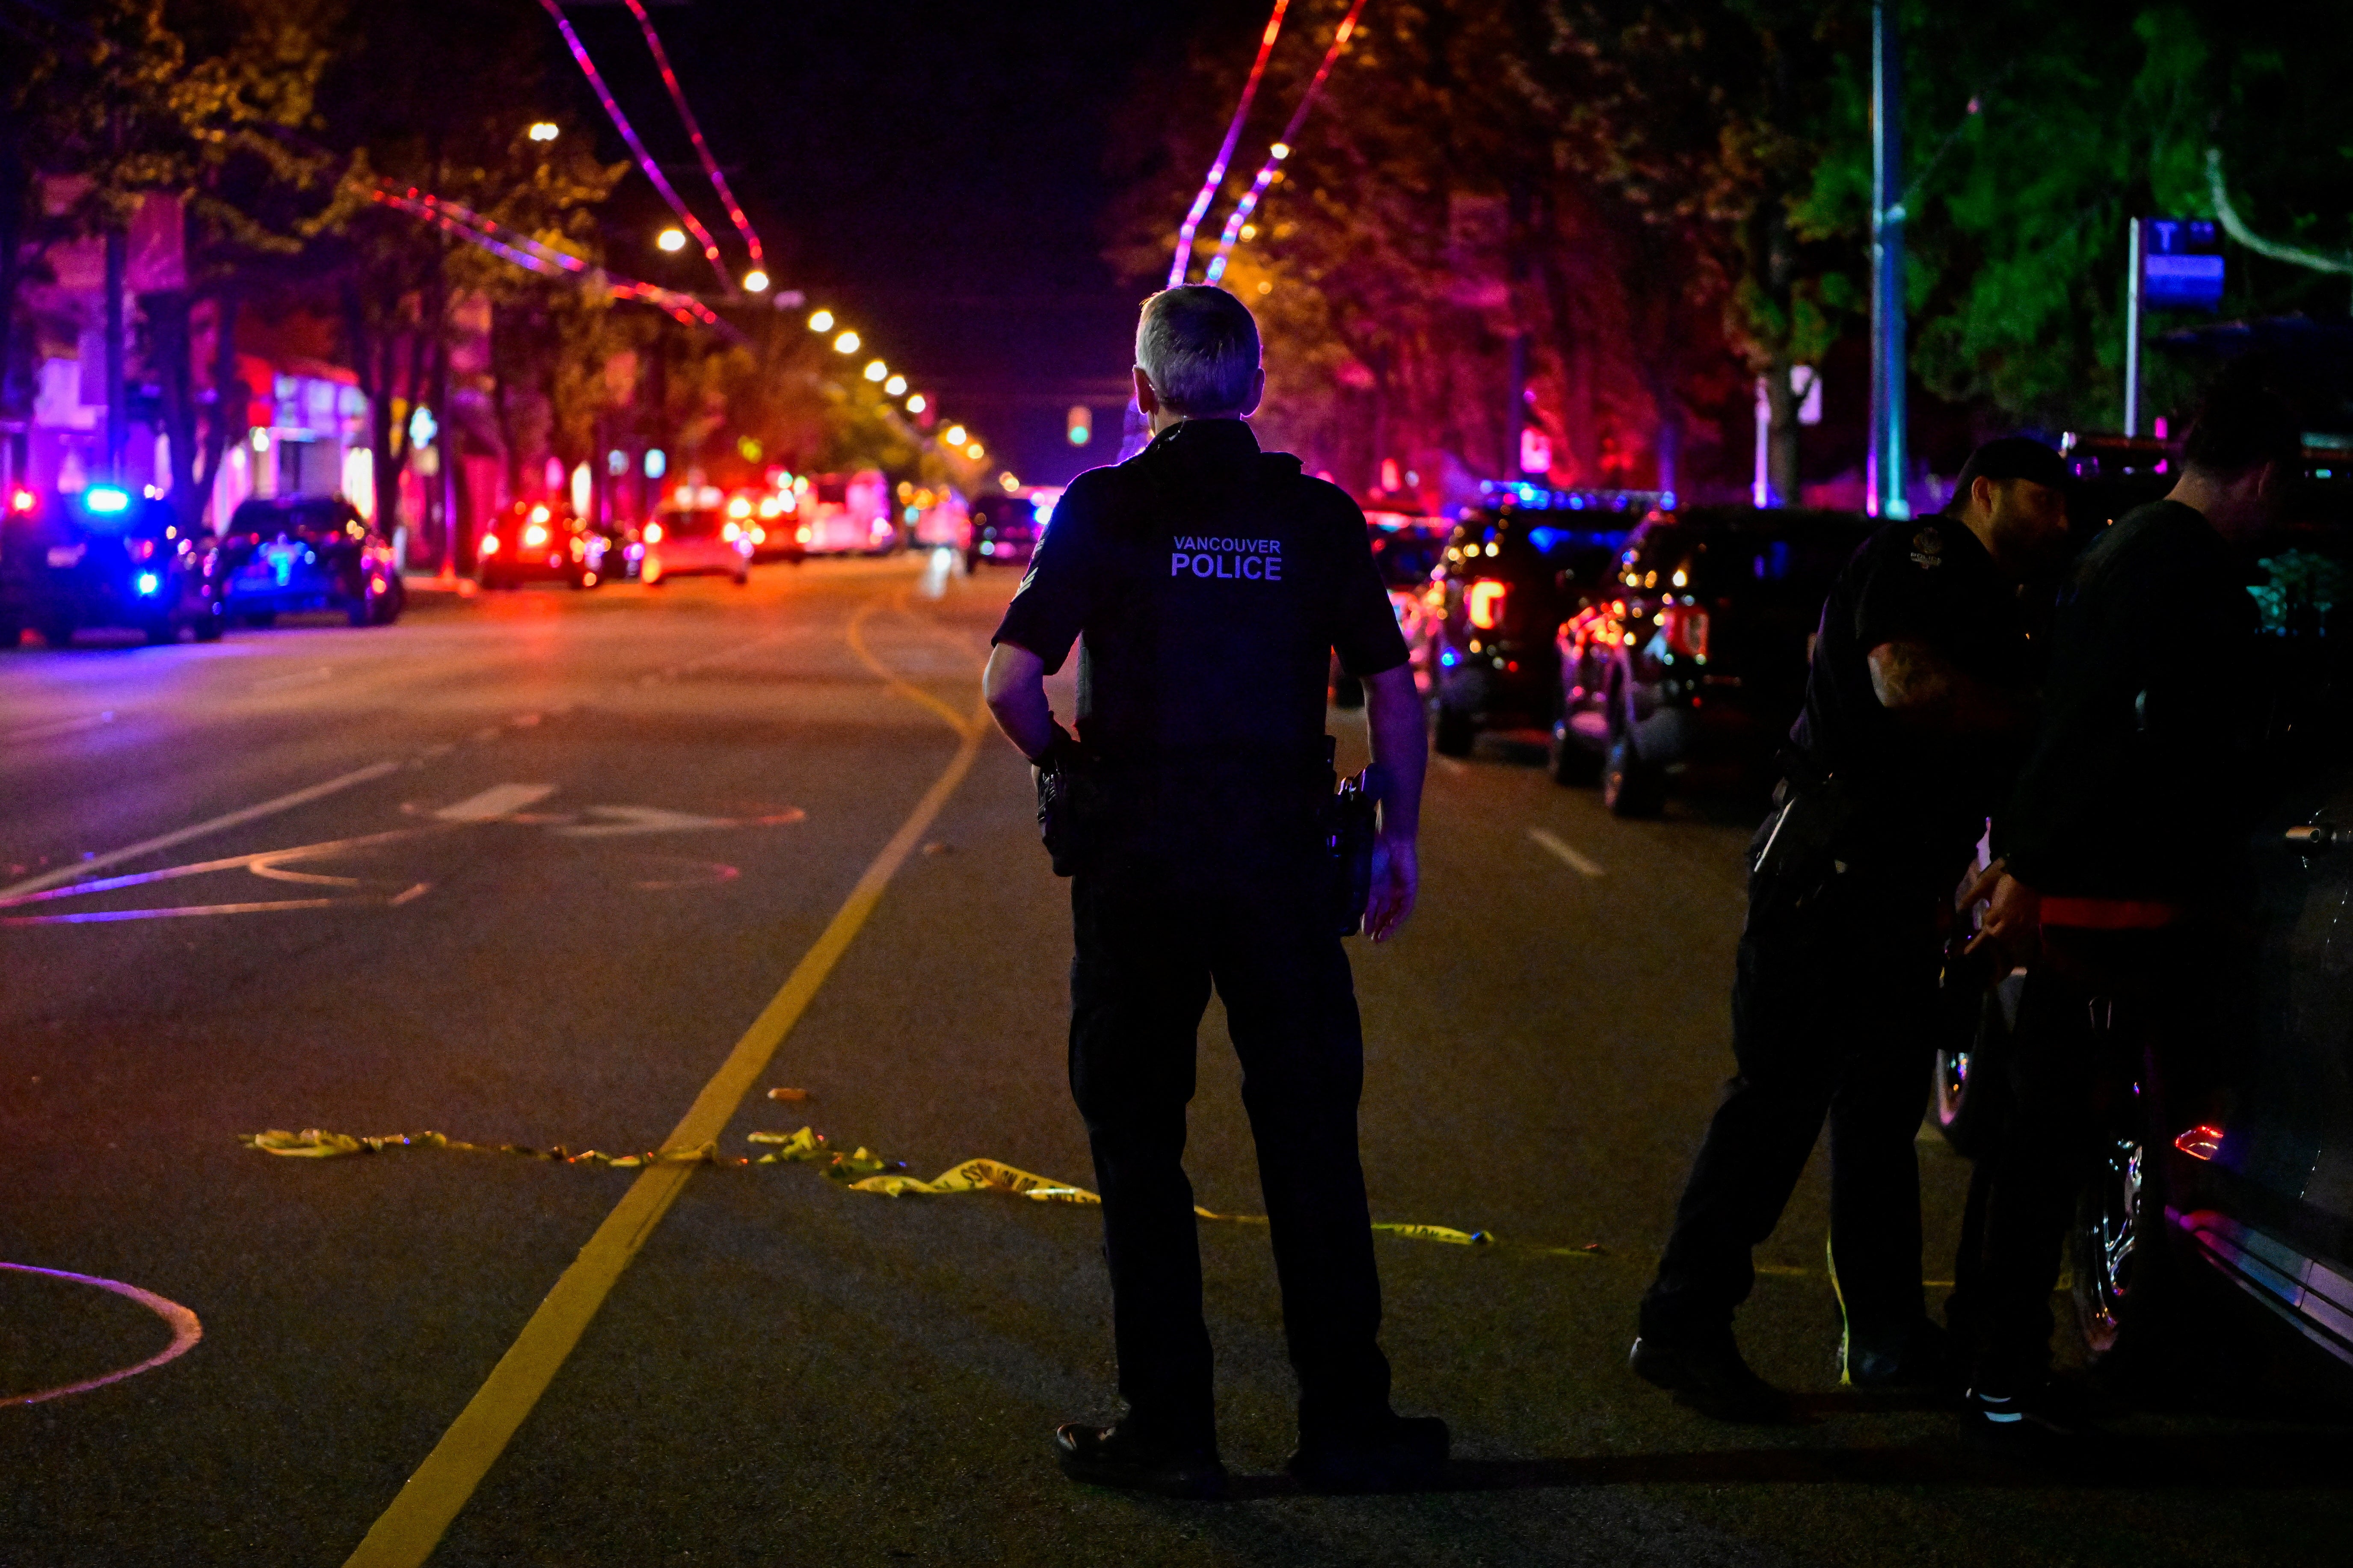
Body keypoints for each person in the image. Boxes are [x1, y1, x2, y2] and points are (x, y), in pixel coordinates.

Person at [981, 284, 1443, 1499]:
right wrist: (1396, 837)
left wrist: (1067, 768)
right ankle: (1347, 1422)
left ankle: (1171, 1428)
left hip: (1138, 870)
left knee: (1140, 1142)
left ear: (1140, 393)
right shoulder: (1314, 517)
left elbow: (1009, 679)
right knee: (1309, 1139)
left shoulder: (1104, 508)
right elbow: (1392, 692)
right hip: (1281, 867)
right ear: (1251, 386)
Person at [1630, 439, 2075, 1420]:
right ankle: (1680, 1322)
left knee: (1877, 1118)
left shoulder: (2002, 596)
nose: (2058, 523)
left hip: (1895, 883)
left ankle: (1880, 1336)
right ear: (1983, 491)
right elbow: (1904, 686)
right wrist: (2040, 719)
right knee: (1776, 1101)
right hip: (1827, 873)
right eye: (2041, 502)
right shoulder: (1918, 563)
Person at [1953, 384, 2302, 1441]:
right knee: (2051, 1143)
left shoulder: (2123, 553)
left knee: (2035, 1139)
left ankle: (1991, 1360)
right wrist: (2034, 860)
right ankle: (2002, 1378)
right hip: (2109, 907)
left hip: (2087, 894)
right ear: (2261, 478)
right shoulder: (2176, 570)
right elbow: (2116, 737)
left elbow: (2075, 724)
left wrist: (2021, 856)